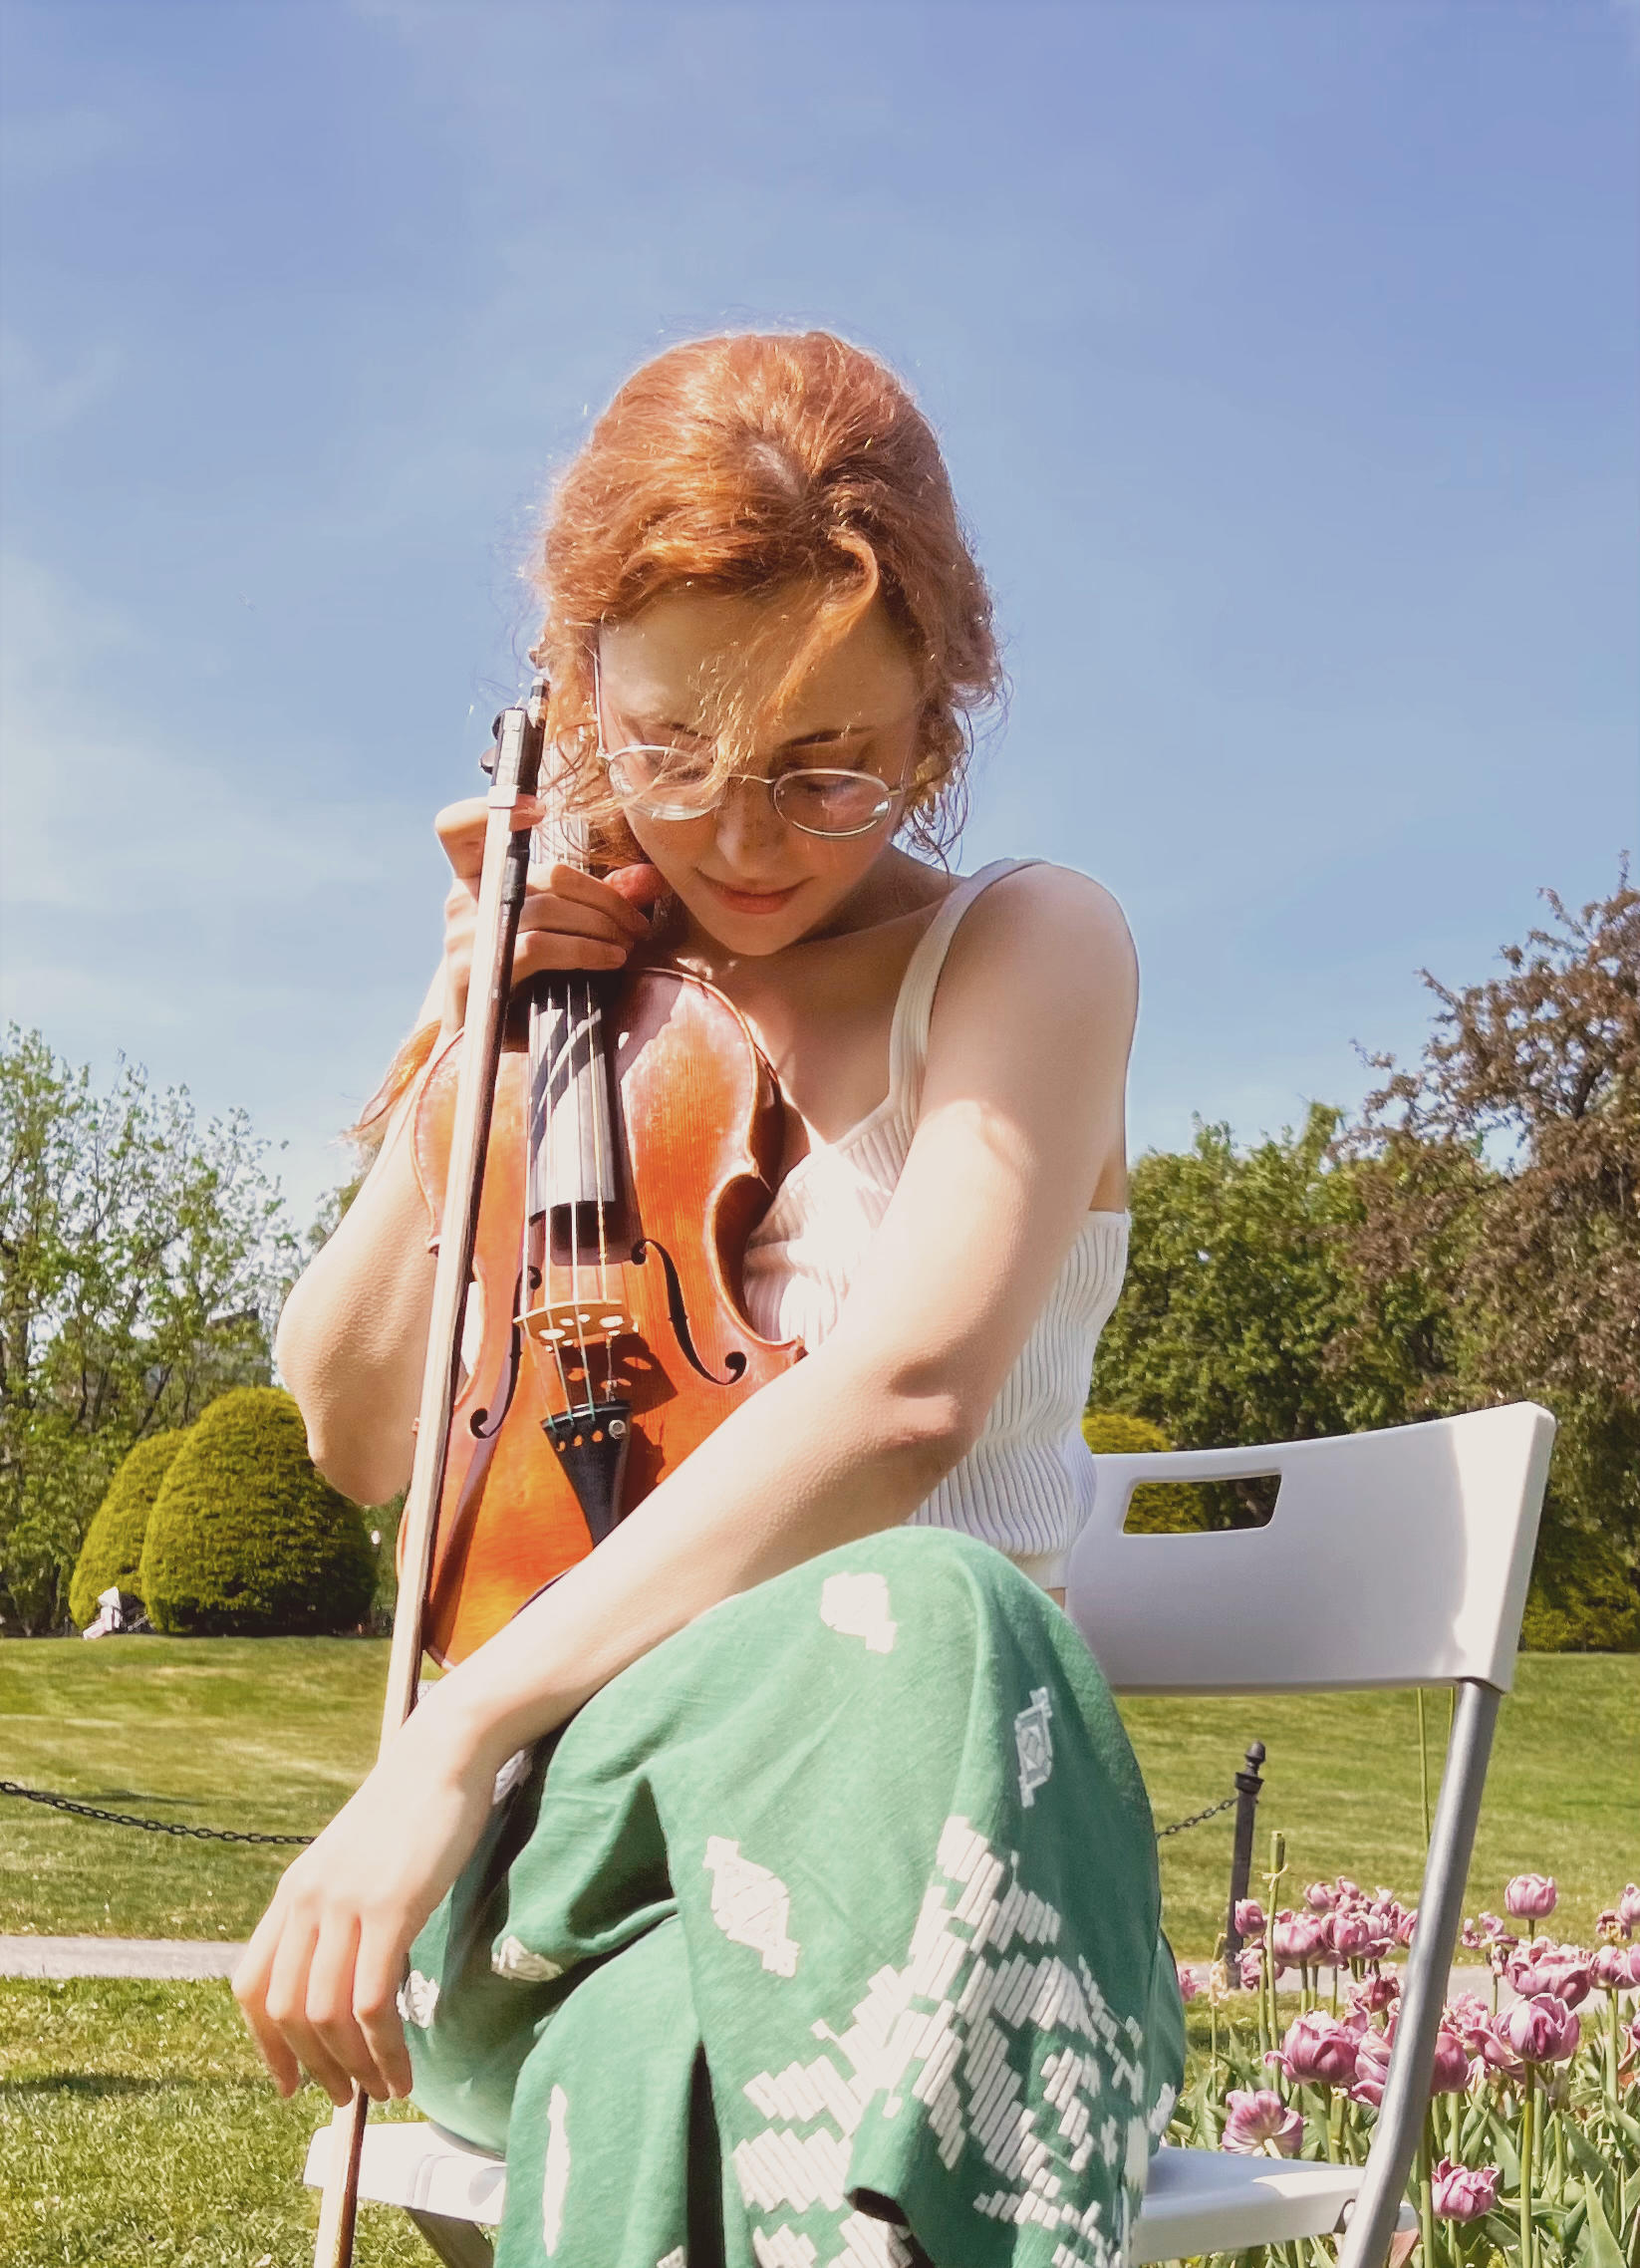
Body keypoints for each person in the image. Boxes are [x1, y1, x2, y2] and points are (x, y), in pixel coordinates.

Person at [235, 331, 1184, 2268]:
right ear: (578, 694)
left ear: (942, 715)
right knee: (913, 1623)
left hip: (931, 1894)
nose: (742, 839)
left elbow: (907, 1397)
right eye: (672, 754)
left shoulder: (1028, 946)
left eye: (828, 769)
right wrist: (468, 1056)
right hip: (561, 1857)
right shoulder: (581, 1018)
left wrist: (447, 1736)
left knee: (920, 1609)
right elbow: (347, 1428)